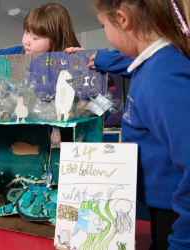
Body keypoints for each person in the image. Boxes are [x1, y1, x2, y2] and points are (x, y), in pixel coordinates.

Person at [87, 1, 190, 249]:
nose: (106, 34)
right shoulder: (155, 65)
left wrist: (182, 243)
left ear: (123, 19)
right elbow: (135, 59)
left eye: (103, 25)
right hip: (164, 206)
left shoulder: (164, 77)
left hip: (178, 217)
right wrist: (105, 60)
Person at [0, 3, 82, 64]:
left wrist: (80, 60)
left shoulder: (69, 58)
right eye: (26, 33)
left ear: (56, 39)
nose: (26, 41)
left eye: (35, 37)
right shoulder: (17, 52)